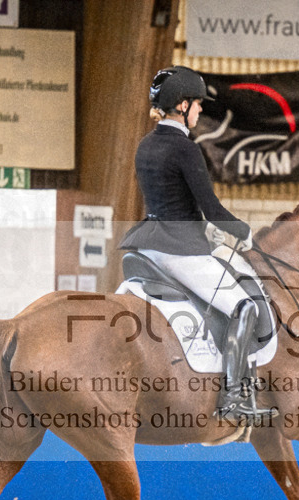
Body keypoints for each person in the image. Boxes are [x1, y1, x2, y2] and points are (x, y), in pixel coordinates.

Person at [118, 65, 271, 423]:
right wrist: (245, 232)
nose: (201, 110)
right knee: (245, 306)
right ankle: (234, 397)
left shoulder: (146, 144)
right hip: (179, 249)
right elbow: (213, 210)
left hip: (148, 246)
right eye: (198, 104)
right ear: (182, 105)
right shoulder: (185, 148)